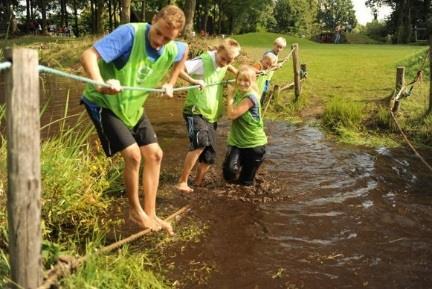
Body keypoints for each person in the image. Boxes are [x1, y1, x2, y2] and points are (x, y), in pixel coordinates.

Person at [80, 5, 188, 234]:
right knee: (134, 155)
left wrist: (171, 82)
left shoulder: (172, 48)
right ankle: (135, 210)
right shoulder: (130, 33)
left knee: (156, 154)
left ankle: (151, 213)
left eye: (168, 38)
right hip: (104, 103)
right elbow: (88, 55)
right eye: (158, 32)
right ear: (154, 19)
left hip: (132, 107)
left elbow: (184, 51)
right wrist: (100, 82)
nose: (160, 41)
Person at [175, 38, 240, 193]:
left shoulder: (225, 62)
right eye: (223, 59)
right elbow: (179, 68)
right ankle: (182, 182)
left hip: (211, 114)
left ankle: (198, 182)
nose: (224, 63)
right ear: (217, 51)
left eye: (229, 60)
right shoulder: (203, 61)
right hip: (195, 111)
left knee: (210, 155)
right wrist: (193, 81)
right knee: (200, 143)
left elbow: (228, 65)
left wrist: (238, 72)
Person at [223, 65, 267, 186]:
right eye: (240, 80)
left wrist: (230, 98)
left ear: (252, 82)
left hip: (254, 144)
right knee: (229, 173)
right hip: (237, 142)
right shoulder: (239, 91)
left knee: (246, 182)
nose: (242, 83)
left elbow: (231, 115)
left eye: (246, 81)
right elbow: (238, 72)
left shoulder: (251, 97)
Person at [260, 37, 287, 105]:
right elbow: (268, 64)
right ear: (274, 44)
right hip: (264, 76)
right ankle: (260, 104)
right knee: (263, 90)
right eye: (277, 46)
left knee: (265, 90)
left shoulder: (274, 53)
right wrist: (277, 65)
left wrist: (282, 60)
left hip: (267, 77)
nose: (279, 49)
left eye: (281, 48)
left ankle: (261, 103)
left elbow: (275, 61)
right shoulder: (270, 54)